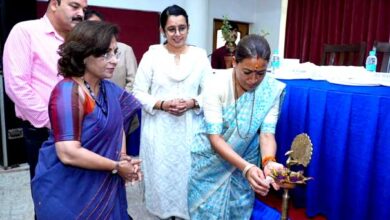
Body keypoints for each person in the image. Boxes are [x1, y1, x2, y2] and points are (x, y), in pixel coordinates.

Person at [31, 20, 142, 219]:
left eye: (115, 52)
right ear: (83, 56)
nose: (114, 60)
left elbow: (118, 125)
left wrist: (122, 157)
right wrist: (116, 166)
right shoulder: (67, 92)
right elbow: (68, 153)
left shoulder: (109, 89)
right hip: (68, 191)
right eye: (105, 54)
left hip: (104, 180)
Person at [188, 34, 286, 220]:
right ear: (234, 62)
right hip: (209, 162)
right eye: (247, 72)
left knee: (238, 212)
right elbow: (215, 138)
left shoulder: (270, 90)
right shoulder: (215, 84)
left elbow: (266, 134)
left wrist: (268, 162)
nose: (254, 80)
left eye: (261, 73)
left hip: (245, 158)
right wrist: (247, 168)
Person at [132, 4, 212, 220]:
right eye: (171, 29)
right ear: (162, 31)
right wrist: (162, 104)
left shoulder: (199, 56)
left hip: (190, 129)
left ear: (188, 28)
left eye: (182, 28)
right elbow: (137, 92)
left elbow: (211, 93)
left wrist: (193, 102)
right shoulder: (152, 55)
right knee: (161, 176)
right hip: (159, 129)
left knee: (188, 176)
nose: (177, 34)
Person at [2, 0, 88, 179]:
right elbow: (16, 85)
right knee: (50, 194)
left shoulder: (79, 38)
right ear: (54, 4)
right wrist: (52, 122)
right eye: (74, 6)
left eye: (84, 9)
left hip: (83, 126)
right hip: (44, 131)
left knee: (80, 190)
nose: (81, 13)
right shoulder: (26, 31)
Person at [84, 9, 138, 92]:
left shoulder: (125, 50)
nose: (114, 61)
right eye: (91, 27)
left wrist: (120, 101)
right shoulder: (71, 88)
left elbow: (133, 83)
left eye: (99, 26)